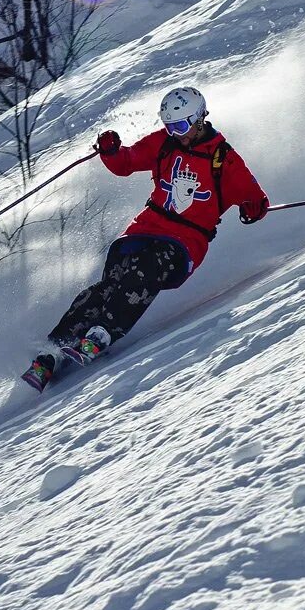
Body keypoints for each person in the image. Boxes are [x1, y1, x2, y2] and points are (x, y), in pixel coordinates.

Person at [22, 86, 270, 390]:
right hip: (146, 227)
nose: (175, 133)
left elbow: (254, 197)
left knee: (147, 269)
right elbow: (126, 162)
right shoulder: (163, 144)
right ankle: (53, 349)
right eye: (169, 126)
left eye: (180, 126)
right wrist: (111, 151)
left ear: (199, 118)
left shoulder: (224, 159)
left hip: (185, 241)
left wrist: (254, 208)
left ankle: (103, 332)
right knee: (110, 283)